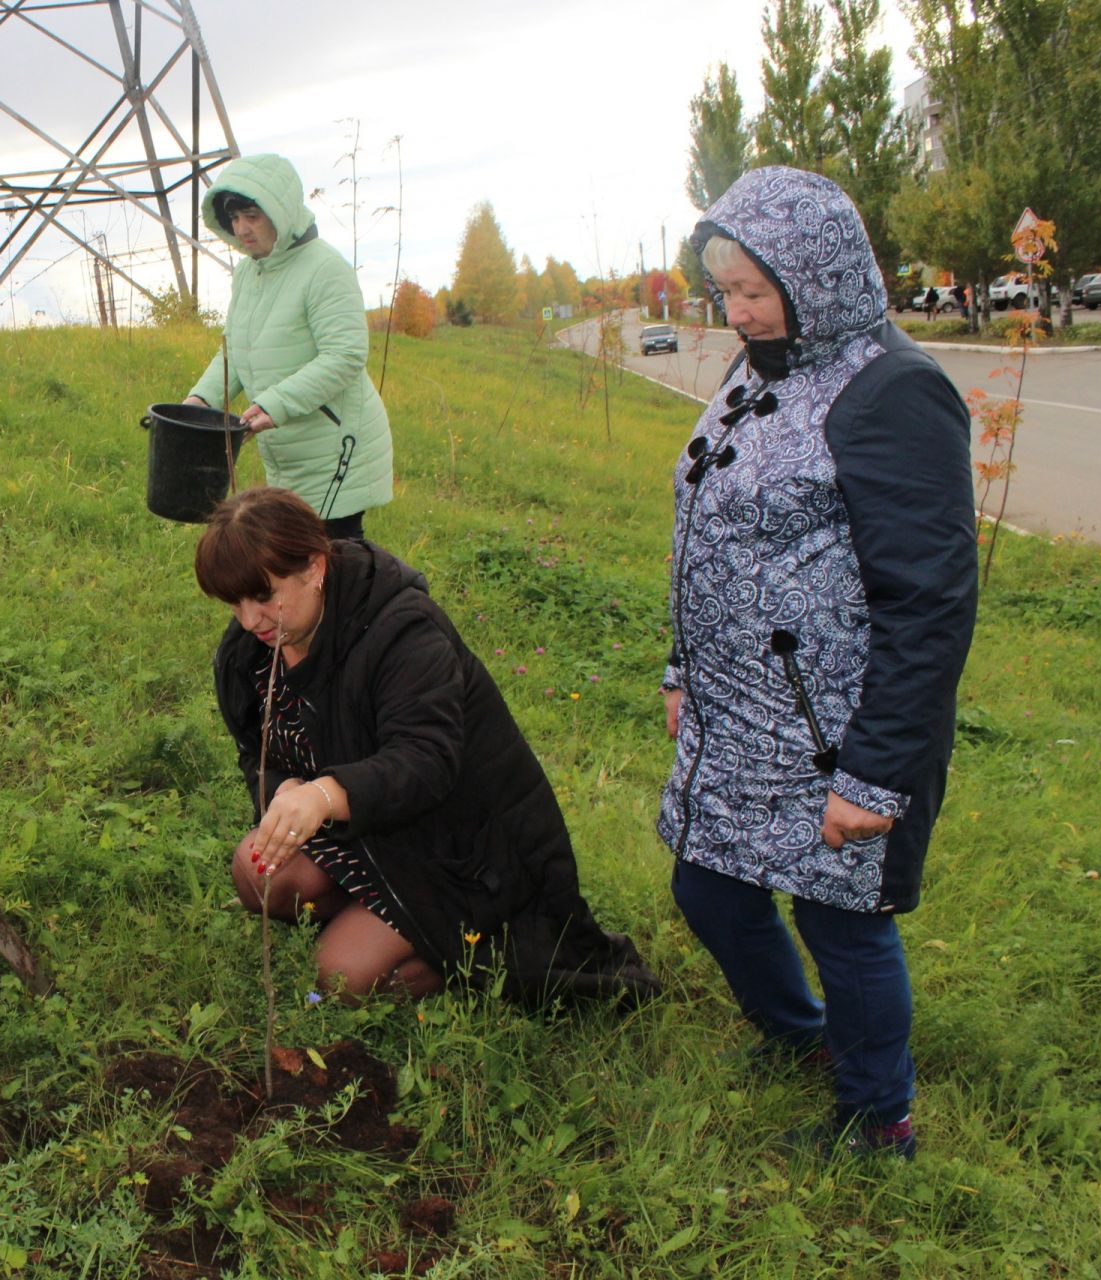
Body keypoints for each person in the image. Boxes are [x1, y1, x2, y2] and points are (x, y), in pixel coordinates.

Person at [663, 166, 977, 1161]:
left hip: (831, 726)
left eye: (756, 290)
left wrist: (876, 772)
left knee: (843, 919)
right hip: (736, 712)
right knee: (708, 888)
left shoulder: (894, 389)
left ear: (819, 273)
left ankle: (879, 1116)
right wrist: (682, 668)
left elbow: (931, 602)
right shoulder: (762, 365)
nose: (739, 311)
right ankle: (802, 1037)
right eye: (726, 291)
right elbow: (705, 522)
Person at [200, 487, 658, 1003]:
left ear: (315, 566)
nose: (248, 620)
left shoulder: (401, 630)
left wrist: (324, 795)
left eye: (264, 596)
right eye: (233, 602)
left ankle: (455, 949)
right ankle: (374, 916)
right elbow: (255, 752)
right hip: (360, 835)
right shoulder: (252, 652)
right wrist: (282, 792)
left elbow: (426, 759)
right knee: (258, 874)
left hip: (451, 849)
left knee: (343, 978)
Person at [183, 155, 392, 540]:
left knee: (332, 563)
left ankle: (391, 601)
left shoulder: (325, 268)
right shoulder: (249, 273)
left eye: (252, 216)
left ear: (280, 211)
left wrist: (274, 405)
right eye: (234, 219)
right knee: (300, 567)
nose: (241, 229)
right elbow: (234, 350)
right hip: (289, 448)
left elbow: (344, 356)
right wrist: (199, 403)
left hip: (335, 447)